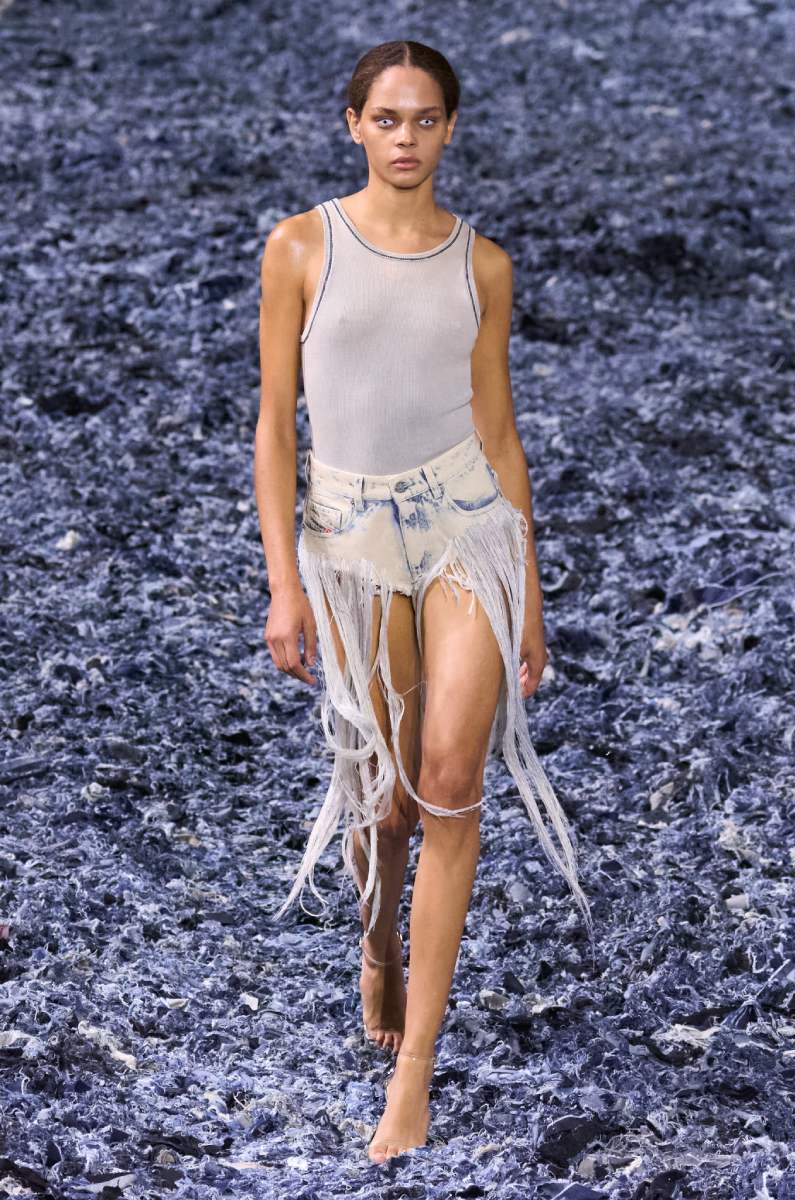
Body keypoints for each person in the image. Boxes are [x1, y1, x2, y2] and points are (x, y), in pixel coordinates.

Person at [254, 39, 595, 1164]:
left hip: (464, 527)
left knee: (449, 784)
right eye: (387, 118)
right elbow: (274, 426)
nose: (406, 139)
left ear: (451, 129)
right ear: (352, 124)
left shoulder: (481, 265)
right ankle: (377, 944)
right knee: (384, 798)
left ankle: (414, 1079)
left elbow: (498, 428)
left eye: (426, 119)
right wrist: (284, 584)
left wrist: (527, 590)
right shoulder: (301, 246)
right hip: (349, 539)